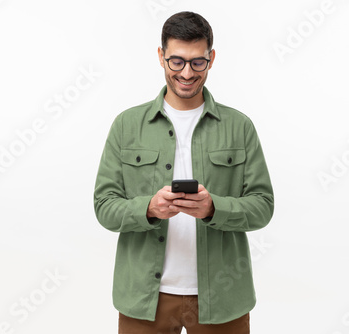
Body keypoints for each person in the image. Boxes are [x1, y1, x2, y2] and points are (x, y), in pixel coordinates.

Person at [93, 11, 274, 334]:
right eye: (176, 61)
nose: (187, 73)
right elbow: (104, 206)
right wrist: (147, 208)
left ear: (211, 58)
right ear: (161, 57)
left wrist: (214, 208)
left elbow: (262, 206)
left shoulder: (239, 127)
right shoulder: (127, 125)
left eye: (197, 62)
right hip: (144, 300)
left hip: (222, 298)